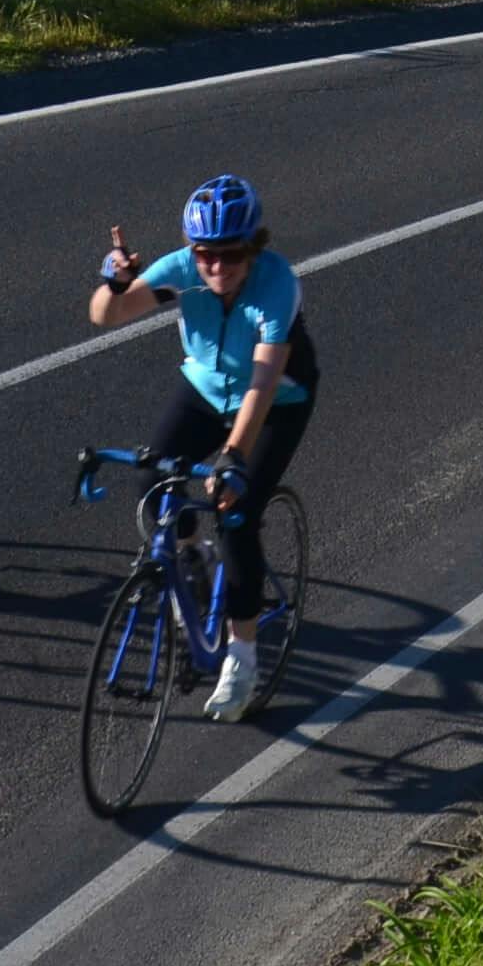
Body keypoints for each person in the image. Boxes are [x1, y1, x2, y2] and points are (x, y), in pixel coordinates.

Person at [88, 173, 317, 723]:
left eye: (230, 254)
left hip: (276, 400)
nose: (216, 266)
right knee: (153, 479)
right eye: (205, 254)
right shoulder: (183, 270)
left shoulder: (276, 283)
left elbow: (263, 382)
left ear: (252, 246)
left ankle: (243, 657)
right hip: (206, 391)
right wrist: (115, 284)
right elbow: (106, 316)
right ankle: (193, 554)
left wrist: (233, 456)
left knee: (236, 513)